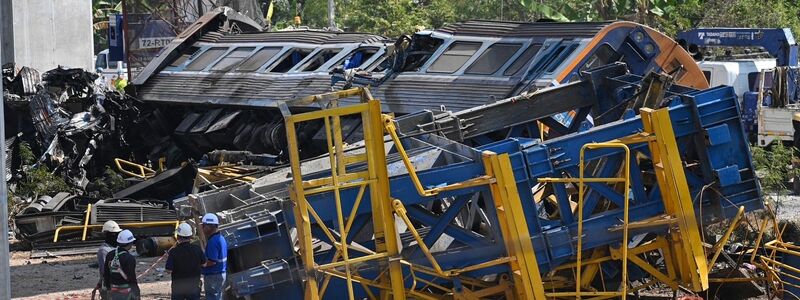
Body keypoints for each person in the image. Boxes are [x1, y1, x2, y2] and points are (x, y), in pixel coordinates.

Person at [166, 223, 206, 300]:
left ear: (177, 237)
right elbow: (204, 264)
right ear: (190, 236)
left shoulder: (174, 252)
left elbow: (168, 270)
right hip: (193, 285)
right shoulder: (197, 249)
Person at [103, 229, 140, 300]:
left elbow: (106, 274)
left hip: (114, 291)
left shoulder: (110, 254)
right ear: (130, 242)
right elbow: (132, 278)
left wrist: (108, 289)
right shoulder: (129, 258)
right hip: (127, 292)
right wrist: (136, 293)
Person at [200, 213, 227, 300]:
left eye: (204, 225)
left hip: (213, 276)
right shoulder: (220, 238)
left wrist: (202, 264)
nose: (202, 228)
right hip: (219, 274)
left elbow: (212, 261)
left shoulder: (213, 242)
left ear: (210, 226)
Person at [95, 221, 122, 299]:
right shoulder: (103, 251)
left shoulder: (116, 247)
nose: (116, 236)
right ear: (107, 235)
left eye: (117, 234)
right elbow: (104, 272)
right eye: (114, 234)